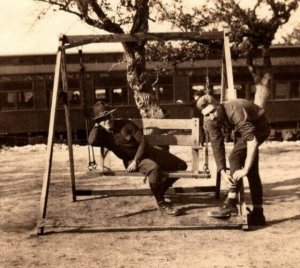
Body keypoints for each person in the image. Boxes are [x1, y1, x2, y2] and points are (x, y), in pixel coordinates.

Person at [88, 101, 188, 216]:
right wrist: (96, 125)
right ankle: (162, 204)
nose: (107, 121)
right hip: (131, 161)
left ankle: (159, 190)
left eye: (108, 117)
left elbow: (143, 142)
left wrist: (136, 160)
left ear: (112, 115)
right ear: (98, 122)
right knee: (153, 168)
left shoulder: (126, 124)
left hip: (147, 153)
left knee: (182, 166)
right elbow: (91, 141)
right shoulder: (102, 134)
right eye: (102, 119)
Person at [196, 95, 270, 225]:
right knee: (252, 170)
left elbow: (252, 142)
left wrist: (244, 169)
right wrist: (223, 172)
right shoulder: (209, 119)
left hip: (260, 127)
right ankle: (259, 214)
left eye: (213, 111)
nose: (211, 116)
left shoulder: (235, 111)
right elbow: (216, 144)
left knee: (235, 156)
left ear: (219, 105)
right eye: (207, 114)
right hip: (243, 130)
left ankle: (232, 201)